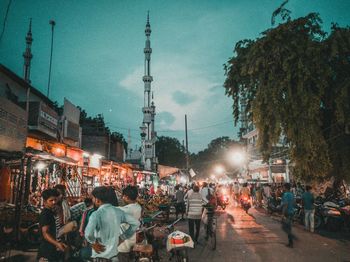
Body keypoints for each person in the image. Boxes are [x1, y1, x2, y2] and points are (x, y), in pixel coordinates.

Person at [84, 186, 140, 261]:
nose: (92, 200)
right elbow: (136, 223)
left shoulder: (96, 214)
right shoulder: (123, 211)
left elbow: (88, 234)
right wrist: (123, 237)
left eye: (93, 198)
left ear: (97, 200)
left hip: (103, 254)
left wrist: (93, 243)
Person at [38, 188, 67, 262]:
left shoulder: (52, 211)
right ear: (45, 202)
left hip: (54, 249)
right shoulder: (45, 214)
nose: (54, 202)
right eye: (51, 200)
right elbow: (45, 233)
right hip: (47, 250)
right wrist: (57, 243)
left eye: (55, 200)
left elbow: (57, 228)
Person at [118, 185, 142, 261]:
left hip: (123, 246)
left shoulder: (127, 210)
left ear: (127, 197)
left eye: (123, 196)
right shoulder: (138, 207)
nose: (122, 198)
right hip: (131, 241)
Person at [281, 183, 295, 248]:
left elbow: (285, 204)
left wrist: (283, 214)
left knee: (285, 227)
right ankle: (291, 241)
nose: (282, 188)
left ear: (285, 187)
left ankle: (291, 240)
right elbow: (293, 203)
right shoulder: (292, 194)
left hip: (287, 213)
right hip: (291, 212)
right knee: (288, 227)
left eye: (283, 187)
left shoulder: (286, 194)